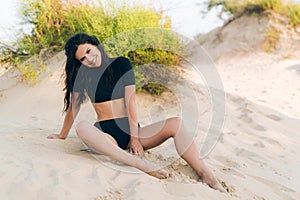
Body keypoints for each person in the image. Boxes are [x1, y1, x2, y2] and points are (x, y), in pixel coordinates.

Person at [47, 33, 225, 192]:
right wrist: (62, 134)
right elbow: (74, 107)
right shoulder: (84, 77)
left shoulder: (121, 64)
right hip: (107, 136)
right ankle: (140, 164)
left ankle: (205, 172)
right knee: (83, 127)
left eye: (88, 51)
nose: (89, 58)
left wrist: (135, 139)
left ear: (95, 44)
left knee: (176, 123)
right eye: (83, 59)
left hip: (132, 130)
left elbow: (130, 102)